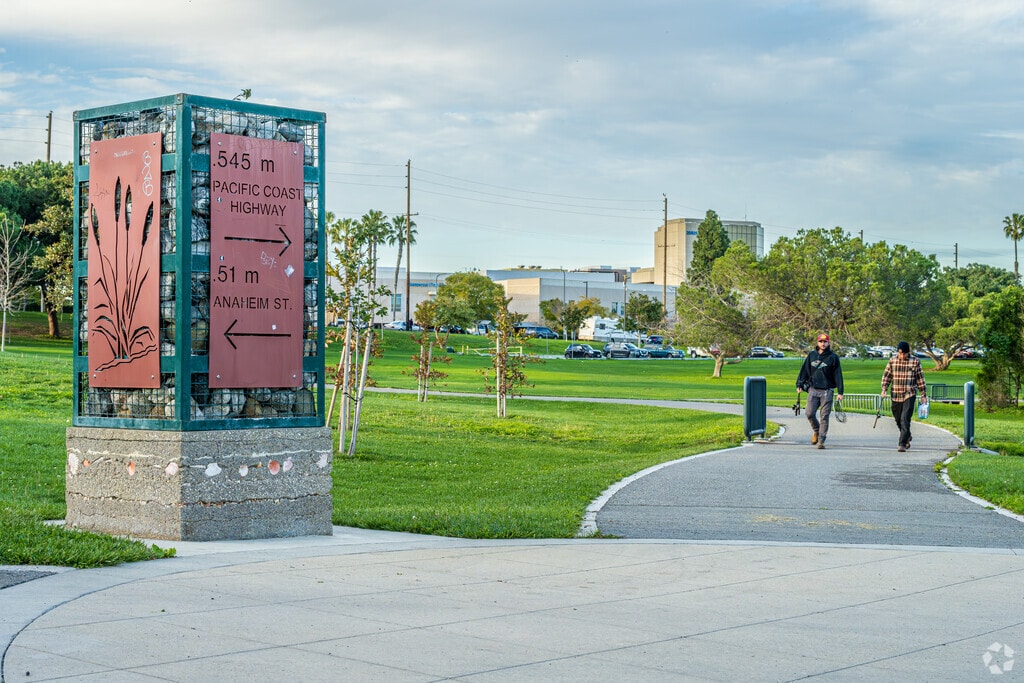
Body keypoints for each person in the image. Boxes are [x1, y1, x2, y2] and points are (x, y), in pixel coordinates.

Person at [796, 333, 844, 449]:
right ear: (818, 343)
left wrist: (840, 392)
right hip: (813, 389)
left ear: (828, 343)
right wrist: (799, 384)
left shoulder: (833, 357)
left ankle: (821, 440)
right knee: (809, 413)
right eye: (821, 342)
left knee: (824, 416)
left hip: (827, 391)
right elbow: (804, 370)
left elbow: (838, 375)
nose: (823, 344)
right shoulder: (812, 355)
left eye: (825, 342)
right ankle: (817, 431)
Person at [880, 341, 928, 452]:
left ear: (908, 353)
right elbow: (887, 376)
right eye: (900, 353)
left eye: (904, 354)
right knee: (897, 419)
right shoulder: (892, 361)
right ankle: (907, 435)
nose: (902, 356)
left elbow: (920, 378)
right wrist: (884, 389)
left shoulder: (915, 361)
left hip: (909, 394)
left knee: (905, 418)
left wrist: (923, 394)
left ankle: (902, 443)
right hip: (896, 393)